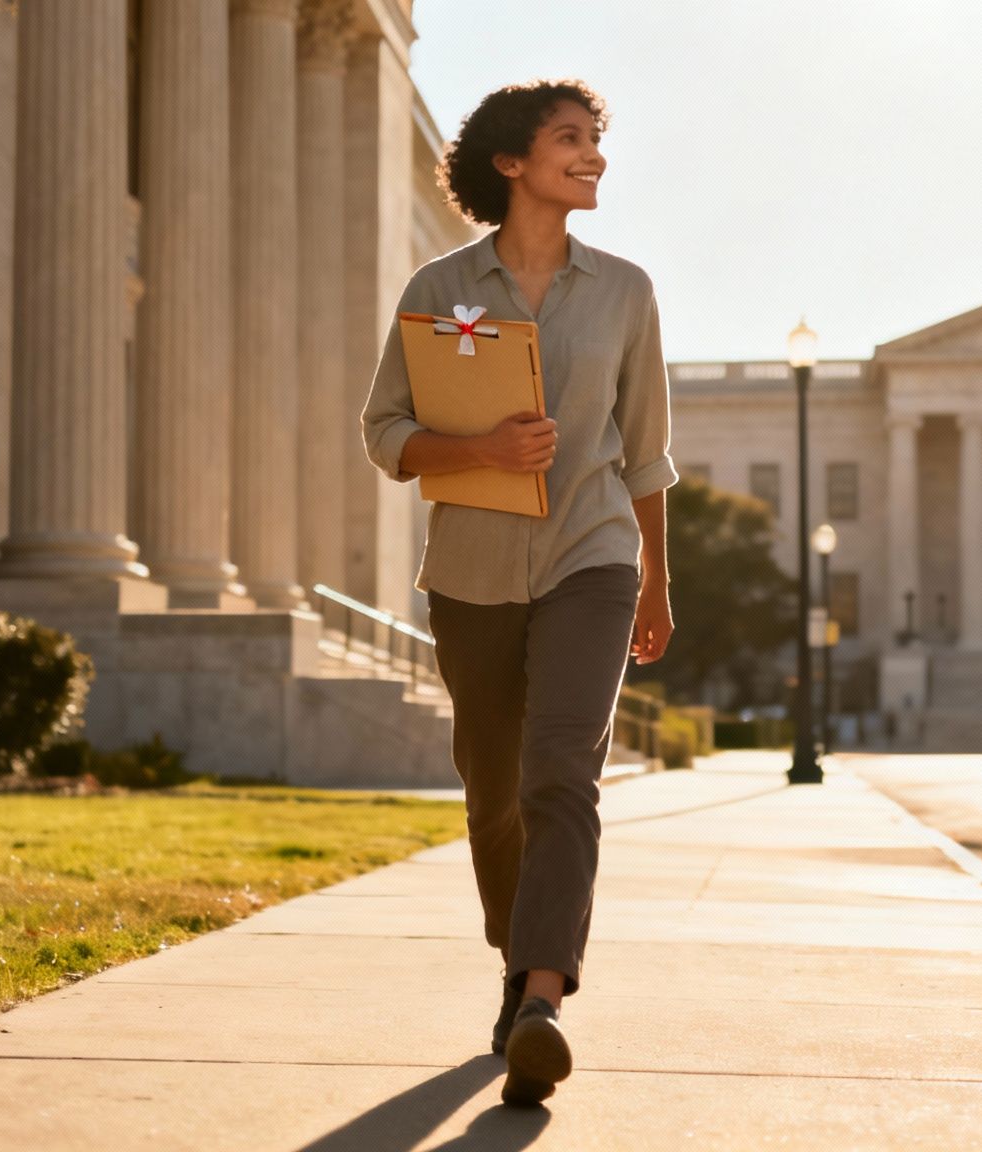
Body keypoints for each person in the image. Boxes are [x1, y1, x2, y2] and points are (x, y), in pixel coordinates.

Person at [359, 79, 677, 1107]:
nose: (591, 156)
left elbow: (647, 455)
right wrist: (478, 448)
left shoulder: (625, 292)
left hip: (591, 556)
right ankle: (517, 960)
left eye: (595, 141)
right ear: (510, 162)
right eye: (569, 140)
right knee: (493, 791)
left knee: (560, 774)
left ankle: (541, 999)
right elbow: (386, 435)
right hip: (472, 574)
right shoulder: (438, 287)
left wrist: (656, 585)